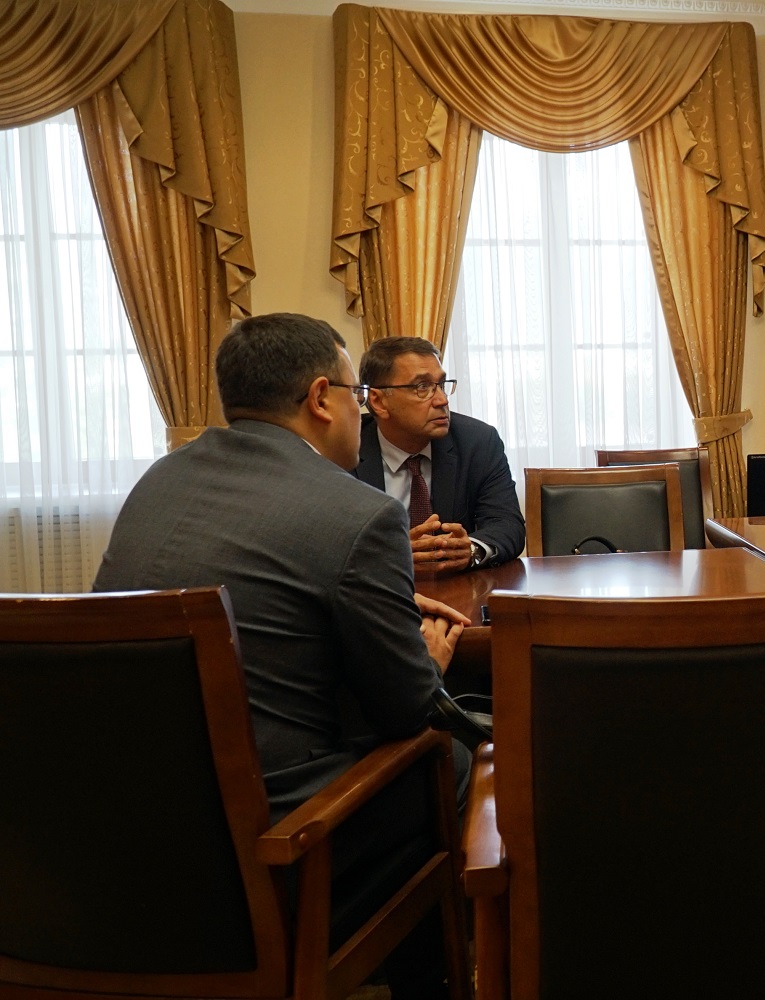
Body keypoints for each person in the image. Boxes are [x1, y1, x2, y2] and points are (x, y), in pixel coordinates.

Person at [94, 312, 468, 1000]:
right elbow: (405, 707)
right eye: (359, 397)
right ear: (321, 398)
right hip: (269, 848)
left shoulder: (159, 483)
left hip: (119, 836)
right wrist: (428, 657)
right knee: (447, 757)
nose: (361, 416)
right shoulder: (357, 512)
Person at [355, 337, 525, 572]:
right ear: (378, 400)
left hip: (455, 592)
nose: (442, 400)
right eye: (422, 387)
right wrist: (394, 555)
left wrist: (470, 550)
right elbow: (324, 543)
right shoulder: (344, 449)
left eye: (441, 385)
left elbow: (507, 524)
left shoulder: (477, 442)